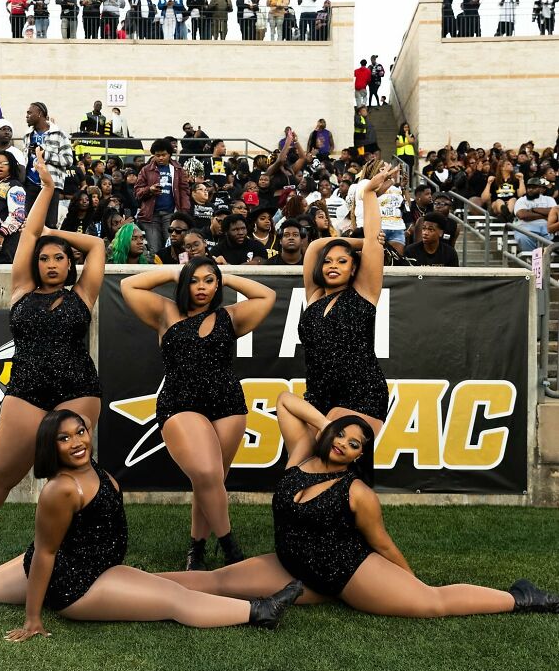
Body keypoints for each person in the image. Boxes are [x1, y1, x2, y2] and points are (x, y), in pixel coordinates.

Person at [0, 409, 303, 635]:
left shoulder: (94, 469)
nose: (77, 442)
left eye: (80, 432)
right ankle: (259, 612)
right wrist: (32, 618)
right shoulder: (61, 490)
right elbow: (45, 554)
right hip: (77, 586)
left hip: (93, 566)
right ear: (52, 447)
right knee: (173, 599)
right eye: (64, 438)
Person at [158, 393, 559, 618]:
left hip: (345, 574)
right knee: (217, 581)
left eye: (353, 444)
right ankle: (145, 584)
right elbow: (286, 401)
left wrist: (410, 581)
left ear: (358, 456)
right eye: (340, 436)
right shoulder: (300, 457)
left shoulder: (357, 491)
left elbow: (381, 543)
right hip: (290, 565)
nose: (342, 444)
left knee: (432, 603)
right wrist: (328, 424)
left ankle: (522, 598)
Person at [0, 149, 106, 566]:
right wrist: (46, 189)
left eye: (59, 258)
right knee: (1, 472)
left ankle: (78, 549)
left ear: (69, 264)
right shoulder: (21, 290)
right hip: (26, 388)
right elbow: (28, 236)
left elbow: (97, 245)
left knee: (72, 475)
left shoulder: (83, 294)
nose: (51, 263)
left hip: (78, 389)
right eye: (44, 258)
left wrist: (55, 233)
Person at [121, 259, 276, 569]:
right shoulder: (166, 312)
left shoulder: (230, 316)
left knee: (212, 480)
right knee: (205, 473)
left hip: (227, 404)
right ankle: (231, 550)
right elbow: (128, 285)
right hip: (180, 403)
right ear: (184, 284)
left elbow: (267, 296)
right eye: (194, 280)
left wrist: (225, 276)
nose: (201, 287)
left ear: (217, 285)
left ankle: (197, 549)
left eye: (208, 280)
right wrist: (174, 272)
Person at [299, 160, 395, 436]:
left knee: (332, 458)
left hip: (361, 394)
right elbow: (316, 247)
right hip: (318, 396)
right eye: (328, 261)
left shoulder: (363, 293)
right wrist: (356, 244)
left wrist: (368, 193)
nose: (333, 265)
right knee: (306, 461)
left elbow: (374, 241)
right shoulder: (314, 297)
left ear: (354, 269)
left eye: (342, 261)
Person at [23, 101, 75, 229]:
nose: (27, 116)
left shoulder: (59, 134)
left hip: (51, 185)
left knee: (49, 225)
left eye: (29, 113)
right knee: (29, 225)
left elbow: (68, 160)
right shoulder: (27, 135)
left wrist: (46, 155)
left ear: (39, 113)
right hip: (30, 184)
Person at [135, 138, 190, 256]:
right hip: (151, 216)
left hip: (171, 215)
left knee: (173, 248)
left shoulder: (178, 169)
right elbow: (137, 192)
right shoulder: (145, 170)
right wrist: (149, 190)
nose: (160, 158)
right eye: (157, 155)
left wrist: (184, 213)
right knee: (155, 250)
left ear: (169, 154)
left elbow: (184, 191)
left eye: (163, 155)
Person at [512, 178, 556, 253]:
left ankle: (543, 258)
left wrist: (533, 209)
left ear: (541, 189)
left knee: (549, 243)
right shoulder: (521, 200)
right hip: (525, 229)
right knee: (522, 237)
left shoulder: (549, 199)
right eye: (529, 187)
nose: (530, 190)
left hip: (546, 230)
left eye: (533, 188)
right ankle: (531, 258)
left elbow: (554, 213)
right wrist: (545, 215)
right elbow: (522, 215)